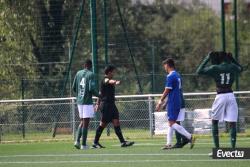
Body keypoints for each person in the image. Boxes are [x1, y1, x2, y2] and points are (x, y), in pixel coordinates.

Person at [196, 51, 243, 152]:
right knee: (232, 123)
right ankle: (233, 149)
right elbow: (241, 69)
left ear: (220, 59)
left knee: (214, 122)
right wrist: (233, 59)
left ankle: (217, 149)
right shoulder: (232, 66)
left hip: (220, 96)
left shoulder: (215, 68)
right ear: (227, 58)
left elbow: (199, 71)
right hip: (231, 95)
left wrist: (207, 58)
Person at [156, 58, 196, 150]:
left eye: (165, 65)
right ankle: (168, 144)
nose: (164, 68)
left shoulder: (170, 76)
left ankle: (190, 137)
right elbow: (174, 90)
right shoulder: (177, 75)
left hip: (173, 102)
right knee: (171, 123)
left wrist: (160, 102)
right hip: (177, 100)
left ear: (168, 65)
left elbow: (167, 90)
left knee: (171, 122)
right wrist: (166, 103)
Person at [92, 65, 134, 148]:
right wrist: (115, 82)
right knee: (102, 124)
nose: (114, 73)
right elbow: (108, 81)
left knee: (116, 122)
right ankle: (95, 143)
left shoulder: (107, 81)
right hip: (106, 105)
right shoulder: (105, 79)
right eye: (113, 72)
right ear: (109, 72)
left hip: (112, 105)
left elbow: (101, 93)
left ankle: (122, 142)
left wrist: (98, 103)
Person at [72, 59, 99, 150]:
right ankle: (83, 145)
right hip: (87, 102)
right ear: (91, 66)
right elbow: (91, 89)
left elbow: (74, 87)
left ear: (84, 65)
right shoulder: (91, 74)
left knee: (82, 122)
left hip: (79, 102)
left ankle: (77, 141)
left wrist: (80, 95)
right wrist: (99, 95)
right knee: (86, 123)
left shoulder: (78, 73)